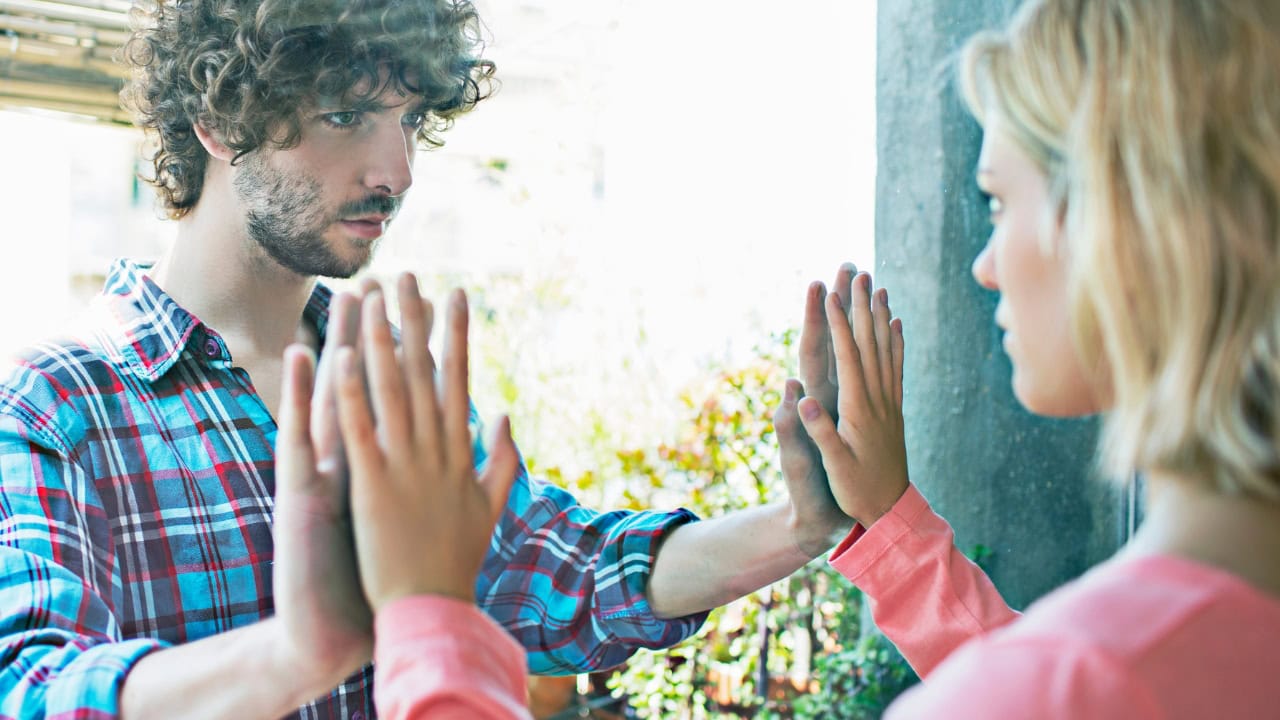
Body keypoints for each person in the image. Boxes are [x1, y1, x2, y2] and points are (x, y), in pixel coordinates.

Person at [337, 0, 1280, 716]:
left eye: (996, 201)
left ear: (1125, 225)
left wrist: (425, 612)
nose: (985, 266)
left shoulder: (1064, 680)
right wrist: (877, 528)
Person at [0, 0, 859, 717]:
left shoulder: (387, 376)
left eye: (408, 121)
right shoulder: (56, 403)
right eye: (348, 117)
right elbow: (30, 689)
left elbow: (554, 572)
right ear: (221, 122)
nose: (397, 169)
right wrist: (295, 654)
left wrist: (799, 526)